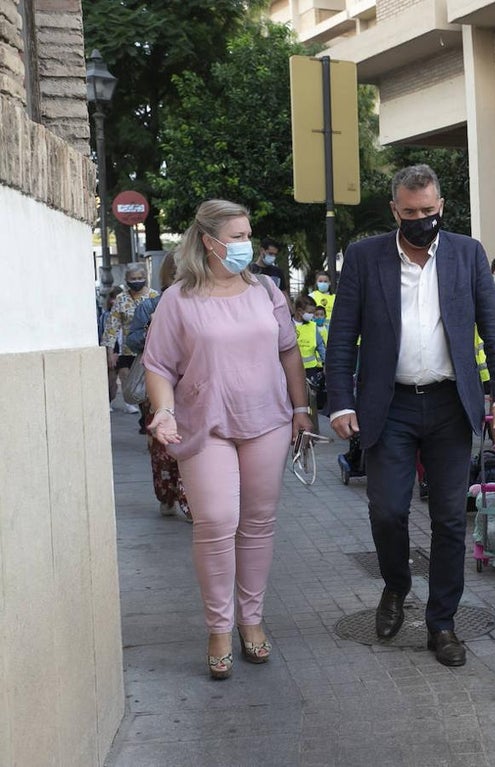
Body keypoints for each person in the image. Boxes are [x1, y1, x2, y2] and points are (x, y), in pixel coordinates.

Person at [325, 164, 495, 668]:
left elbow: (494, 331)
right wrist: (341, 402)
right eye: (410, 212)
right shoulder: (366, 258)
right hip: (387, 407)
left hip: (452, 405)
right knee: (387, 510)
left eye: (428, 212)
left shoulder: (466, 253)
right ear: (395, 210)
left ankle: (443, 623)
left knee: (450, 518)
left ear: (441, 207)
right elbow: (342, 335)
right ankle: (395, 585)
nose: (419, 220)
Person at [142, 199, 311, 681]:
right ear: (209, 241)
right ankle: (218, 628)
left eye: (247, 234)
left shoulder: (266, 290)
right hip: (204, 423)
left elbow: (288, 353)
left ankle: (251, 620)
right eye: (236, 236)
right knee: (216, 519)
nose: (245, 244)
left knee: (257, 522)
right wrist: (165, 412)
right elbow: (158, 365)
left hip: (268, 421)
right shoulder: (179, 299)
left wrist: (301, 410)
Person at [127, 255, 191, 523]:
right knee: (163, 448)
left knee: (191, 444)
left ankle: (190, 501)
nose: (178, 273)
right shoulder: (150, 304)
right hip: (158, 384)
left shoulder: (201, 301)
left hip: (192, 385)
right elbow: (133, 340)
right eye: (174, 270)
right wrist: (152, 326)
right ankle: (167, 496)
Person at [102, 264, 159, 416]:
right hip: (127, 349)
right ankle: (133, 404)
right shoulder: (121, 299)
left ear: (145, 278)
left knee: (146, 385)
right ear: (126, 280)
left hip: (147, 349)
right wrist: (109, 351)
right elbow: (112, 326)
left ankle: (145, 413)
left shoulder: (154, 297)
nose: (136, 281)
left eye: (140, 278)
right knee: (128, 379)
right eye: (133, 279)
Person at [100, 286, 124, 409]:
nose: (115, 301)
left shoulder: (125, 313)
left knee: (125, 378)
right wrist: (111, 352)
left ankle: (127, 403)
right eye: (113, 298)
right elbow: (107, 334)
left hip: (124, 350)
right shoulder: (107, 315)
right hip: (113, 351)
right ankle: (108, 401)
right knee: (111, 379)